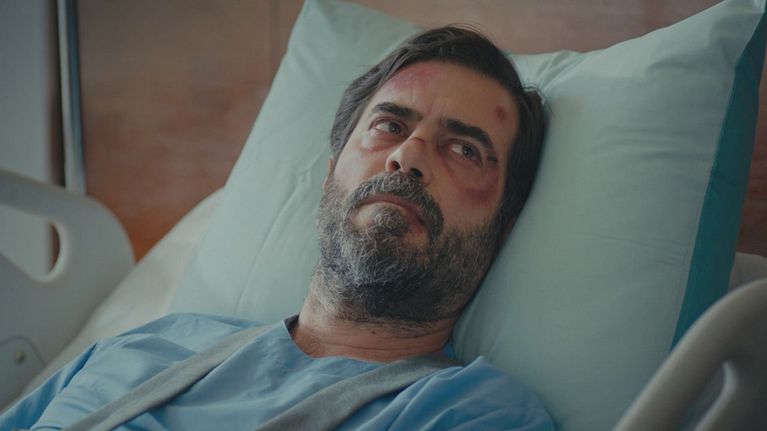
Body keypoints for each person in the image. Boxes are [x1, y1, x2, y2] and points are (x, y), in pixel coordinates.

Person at [1, 26, 552, 430]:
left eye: (464, 149)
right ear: (330, 175)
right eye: (389, 124)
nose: (407, 156)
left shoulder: (470, 413)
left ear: (502, 229)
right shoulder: (147, 346)